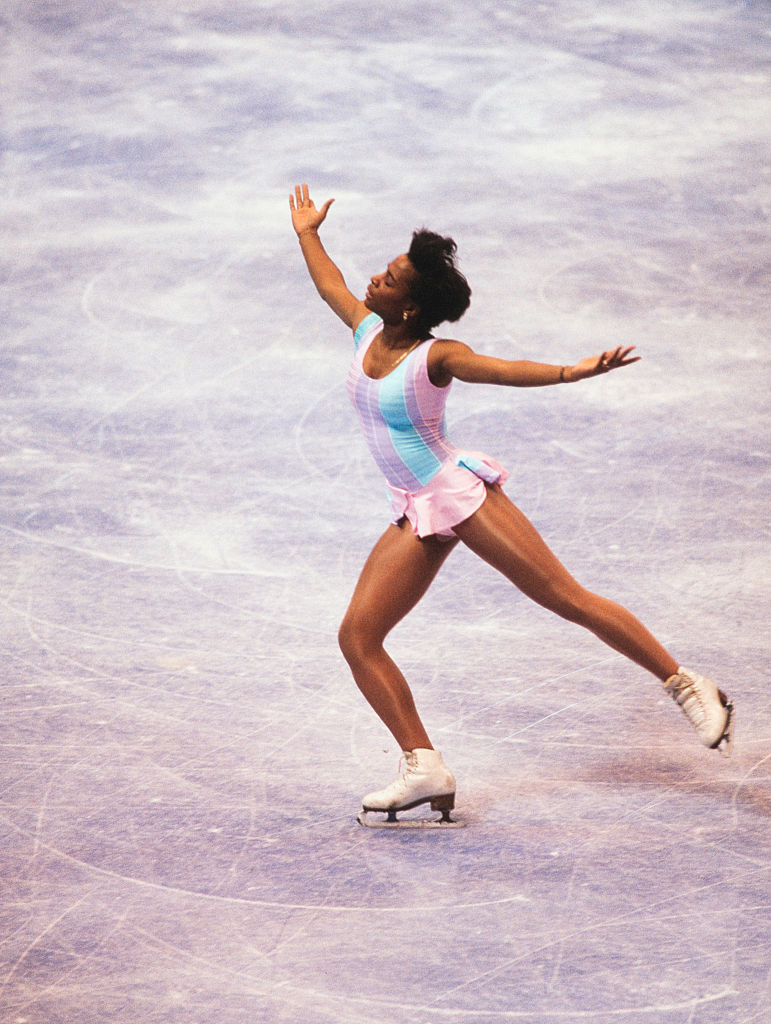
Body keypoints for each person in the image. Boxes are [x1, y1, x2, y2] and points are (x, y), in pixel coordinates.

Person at [289, 183, 734, 824]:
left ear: (412, 308)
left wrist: (570, 372)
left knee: (563, 595)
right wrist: (308, 232)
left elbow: (502, 367)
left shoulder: (437, 356)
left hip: (456, 494)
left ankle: (687, 684)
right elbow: (329, 281)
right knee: (358, 637)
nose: (373, 280)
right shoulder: (364, 330)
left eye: (388, 279)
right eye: (381, 272)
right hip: (417, 506)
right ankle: (424, 766)